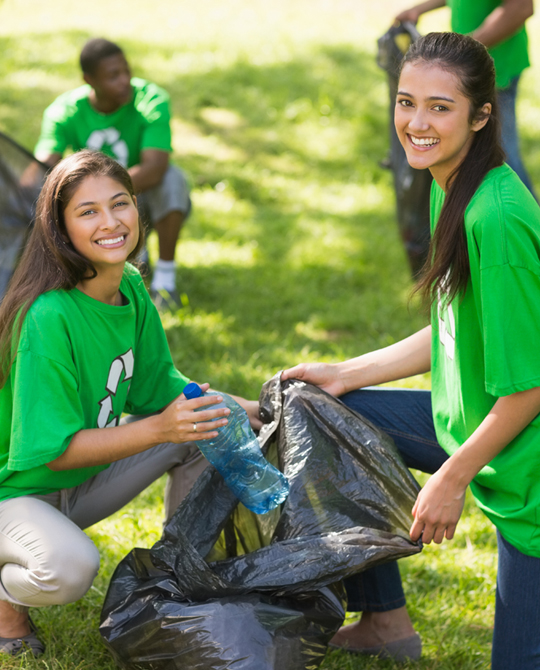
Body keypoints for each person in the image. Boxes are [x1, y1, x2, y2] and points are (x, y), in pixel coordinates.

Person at [284, 32, 540, 669]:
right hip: (475, 430)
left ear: (482, 115)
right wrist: (344, 374)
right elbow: (454, 326)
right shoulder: (448, 181)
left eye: (439, 107)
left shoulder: (498, 219)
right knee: (324, 411)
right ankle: (383, 621)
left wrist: (450, 479)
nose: (416, 124)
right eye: (405, 102)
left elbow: (530, 387)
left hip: (529, 473)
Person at [0, 150, 260, 658]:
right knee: (68, 569)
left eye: (119, 204)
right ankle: (6, 605)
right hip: (18, 492)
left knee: (204, 429)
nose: (110, 222)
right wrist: (161, 429)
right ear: (59, 228)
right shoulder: (48, 316)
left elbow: (163, 388)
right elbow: (56, 452)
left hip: (78, 484)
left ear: (138, 208)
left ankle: (175, 583)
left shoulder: (131, 288)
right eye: (88, 211)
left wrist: (252, 405)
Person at [34, 37, 189, 309]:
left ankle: (165, 280)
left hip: (140, 197)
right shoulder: (65, 111)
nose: (125, 81)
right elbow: (41, 166)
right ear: (89, 79)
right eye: (113, 76)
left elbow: (154, 168)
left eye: (126, 71)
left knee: (172, 179)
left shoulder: (150, 100)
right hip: (97, 209)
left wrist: (111, 196)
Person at [394, 0, 535, 195]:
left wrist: (463, 54)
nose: (417, 125)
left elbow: (521, 7)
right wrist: (420, 8)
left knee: (500, 158)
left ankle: (529, 222)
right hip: (460, 71)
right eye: (406, 102)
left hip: (490, 70)